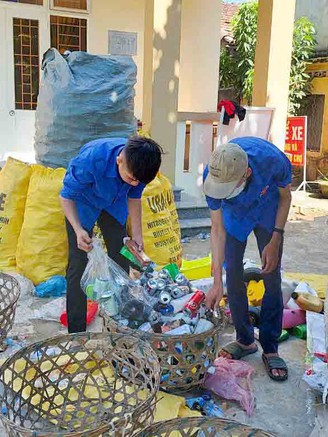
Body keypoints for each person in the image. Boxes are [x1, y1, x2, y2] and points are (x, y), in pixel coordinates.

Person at [203, 137, 292, 382]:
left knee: (271, 275)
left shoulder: (272, 161)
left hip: (267, 212)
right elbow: (217, 228)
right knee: (231, 274)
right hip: (235, 219)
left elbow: (286, 197)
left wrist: (276, 238)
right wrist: (215, 282)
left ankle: (270, 345)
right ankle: (245, 340)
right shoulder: (214, 173)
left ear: (247, 173)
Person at [60, 136, 163, 334]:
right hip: (84, 201)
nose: (135, 183)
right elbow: (66, 196)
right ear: (119, 160)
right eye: (132, 178)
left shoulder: (139, 167)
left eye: (139, 181)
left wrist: (138, 235)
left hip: (114, 203)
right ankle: (77, 332)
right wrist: (78, 229)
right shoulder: (91, 160)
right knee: (78, 263)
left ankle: (121, 319)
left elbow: (134, 197)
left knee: (122, 255)